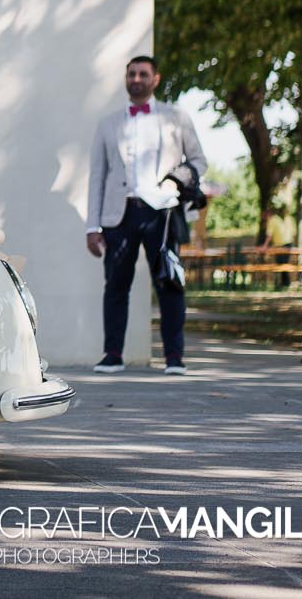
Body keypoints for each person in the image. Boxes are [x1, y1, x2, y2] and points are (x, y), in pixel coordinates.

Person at [84, 56, 206, 375]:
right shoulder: (108, 123)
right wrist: (92, 226)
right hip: (118, 215)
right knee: (115, 287)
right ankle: (112, 355)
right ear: (126, 79)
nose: (136, 79)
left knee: (169, 284)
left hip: (162, 213)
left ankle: (174, 358)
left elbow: (198, 161)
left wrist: (175, 181)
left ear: (155, 79)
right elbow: (97, 176)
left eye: (143, 74)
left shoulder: (176, 117)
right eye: (131, 74)